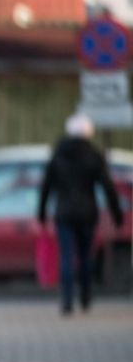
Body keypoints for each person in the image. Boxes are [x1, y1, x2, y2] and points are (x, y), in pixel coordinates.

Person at [37, 112, 123, 315]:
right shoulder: (93, 155)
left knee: (66, 257)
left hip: (64, 213)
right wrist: (116, 213)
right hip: (87, 213)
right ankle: (85, 296)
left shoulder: (59, 154)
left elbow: (46, 186)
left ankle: (67, 301)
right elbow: (108, 186)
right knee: (85, 256)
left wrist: (41, 213)